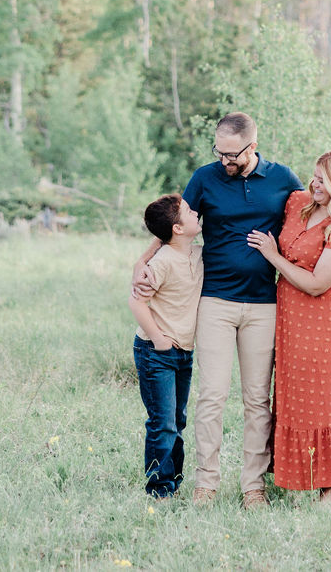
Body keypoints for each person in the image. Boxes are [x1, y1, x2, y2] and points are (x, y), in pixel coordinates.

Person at [133, 113, 303, 508]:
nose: (224, 160)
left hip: (264, 304)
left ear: (253, 146)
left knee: (257, 399)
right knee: (211, 395)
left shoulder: (283, 179)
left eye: (232, 154)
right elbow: (172, 227)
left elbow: (309, 219)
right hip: (215, 302)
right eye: (219, 151)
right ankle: (205, 483)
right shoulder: (205, 178)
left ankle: (253, 487)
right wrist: (141, 262)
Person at [246, 148, 331, 507]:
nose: (313, 183)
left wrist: (272, 256)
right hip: (290, 317)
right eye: (314, 176)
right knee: (294, 396)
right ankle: (292, 477)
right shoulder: (298, 202)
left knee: (325, 397)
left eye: (322, 179)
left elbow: (318, 283)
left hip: (324, 319)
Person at [128, 193, 203, 499]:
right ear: (177, 228)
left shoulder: (196, 254)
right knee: (163, 423)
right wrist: (158, 338)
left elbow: (161, 238)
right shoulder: (163, 262)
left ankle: (174, 481)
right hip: (155, 352)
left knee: (178, 420)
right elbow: (136, 301)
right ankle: (159, 489)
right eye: (188, 210)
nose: (195, 211)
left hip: (184, 351)